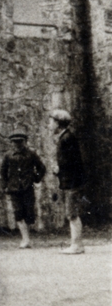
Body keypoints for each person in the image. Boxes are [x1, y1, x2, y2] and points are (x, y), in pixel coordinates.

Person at [0, 130, 45, 249]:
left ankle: (27, 236)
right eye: (15, 142)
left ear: (25, 142)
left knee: (29, 213)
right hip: (14, 188)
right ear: (11, 143)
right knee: (18, 213)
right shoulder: (8, 155)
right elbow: (2, 171)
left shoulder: (31, 154)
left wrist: (36, 178)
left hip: (27, 187)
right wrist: (4, 185)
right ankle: (25, 239)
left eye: (20, 142)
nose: (17, 145)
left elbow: (41, 168)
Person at [51, 108, 87, 254]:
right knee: (71, 212)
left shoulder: (67, 138)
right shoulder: (65, 137)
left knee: (72, 213)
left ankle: (77, 245)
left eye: (52, 121)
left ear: (59, 123)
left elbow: (72, 161)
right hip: (70, 181)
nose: (50, 125)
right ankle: (76, 244)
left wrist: (58, 168)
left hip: (72, 181)